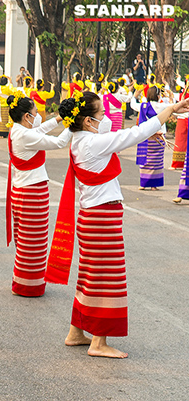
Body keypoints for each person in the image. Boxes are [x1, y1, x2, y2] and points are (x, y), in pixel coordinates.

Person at [48, 91, 189, 358]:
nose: (105, 118)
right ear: (89, 121)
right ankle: (98, 342)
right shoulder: (92, 143)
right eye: (101, 114)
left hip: (91, 215)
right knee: (107, 277)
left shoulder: (82, 139)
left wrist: (150, 130)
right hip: (102, 216)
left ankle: (76, 331)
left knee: (90, 275)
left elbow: (121, 134)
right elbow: (130, 135)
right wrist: (170, 110)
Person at [6, 92, 71, 296]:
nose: (37, 116)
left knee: (29, 239)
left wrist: (60, 119)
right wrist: (74, 125)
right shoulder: (24, 134)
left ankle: (25, 281)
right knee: (33, 240)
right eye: (35, 113)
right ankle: (28, 285)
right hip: (31, 192)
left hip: (25, 189)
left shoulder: (17, 129)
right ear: (27, 116)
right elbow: (59, 143)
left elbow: (40, 129)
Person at [130, 86, 168, 190]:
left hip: (146, 136)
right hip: (159, 137)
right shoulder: (162, 106)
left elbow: (133, 105)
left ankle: (143, 183)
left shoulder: (143, 106)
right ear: (158, 95)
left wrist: (134, 96)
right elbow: (173, 107)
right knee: (157, 161)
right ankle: (154, 185)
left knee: (145, 160)